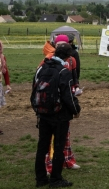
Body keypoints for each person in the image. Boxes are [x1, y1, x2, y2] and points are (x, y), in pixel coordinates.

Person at [34, 45, 81, 188]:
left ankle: (41, 178)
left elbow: (34, 89)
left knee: (42, 146)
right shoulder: (64, 71)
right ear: (67, 57)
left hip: (43, 113)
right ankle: (55, 179)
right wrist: (76, 109)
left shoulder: (42, 68)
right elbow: (68, 96)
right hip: (60, 115)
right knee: (59, 147)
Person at [44, 37, 81, 174]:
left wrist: (75, 88)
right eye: (59, 44)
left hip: (65, 101)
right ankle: (48, 164)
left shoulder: (71, 60)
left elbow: (74, 76)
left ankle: (68, 160)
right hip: (51, 103)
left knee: (65, 134)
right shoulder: (47, 60)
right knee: (49, 137)